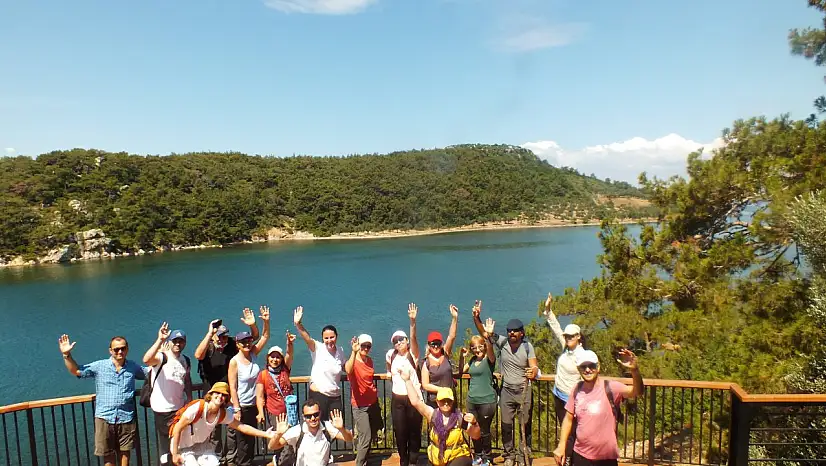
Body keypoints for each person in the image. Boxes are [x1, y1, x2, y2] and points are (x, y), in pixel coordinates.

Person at [58, 333, 149, 466]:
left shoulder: (133, 367)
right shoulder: (99, 366)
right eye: (116, 349)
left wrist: (163, 356)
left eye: (123, 348)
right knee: (108, 457)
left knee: (125, 455)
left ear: (127, 349)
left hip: (126, 418)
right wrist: (67, 355)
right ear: (110, 351)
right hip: (105, 418)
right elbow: (76, 371)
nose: (120, 351)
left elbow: (151, 372)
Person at [473, 304, 539, 466]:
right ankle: (509, 454)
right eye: (509, 330)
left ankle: (523, 455)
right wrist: (476, 317)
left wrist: (533, 371)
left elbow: (534, 366)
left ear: (521, 333)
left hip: (524, 390)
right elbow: (485, 334)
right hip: (507, 391)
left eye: (515, 331)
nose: (511, 333)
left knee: (525, 424)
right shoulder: (503, 343)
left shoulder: (527, 346)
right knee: (506, 424)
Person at [552, 349, 643, 466]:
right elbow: (568, 419)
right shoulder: (577, 389)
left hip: (606, 458)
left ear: (598, 367)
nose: (587, 369)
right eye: (583, 367)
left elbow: (637, 391)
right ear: (579, 370)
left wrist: (634, 370)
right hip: (580, 455)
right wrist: (561, 445)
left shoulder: (611, 387)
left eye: (591, 366)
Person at [193, 309, 261, 464]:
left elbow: (253, 339)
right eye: (220, 337)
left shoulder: (231, 344)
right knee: (213, 430)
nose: (223, 339)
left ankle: (231, 460)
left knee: (231, 429)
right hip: (212, 397)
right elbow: (198, 355)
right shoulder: (208, 348)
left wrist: (253, 325)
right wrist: (210, 333)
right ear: (213, 337)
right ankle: (217, 460)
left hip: (229, 396)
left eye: (225, 336)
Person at [168, 382, 277, 466]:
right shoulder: (198, 408)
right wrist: (175, 453)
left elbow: (242, 427)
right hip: (183, 447)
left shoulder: (222, 413)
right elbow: (177, 428)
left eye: (223, 395)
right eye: (217, 393)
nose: (220, 396)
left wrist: (266, 434)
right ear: (210, 394)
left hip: (202, 445)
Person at [398, 366, 480, 466]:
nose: (445, 403)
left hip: (457, 455)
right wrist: (407, 380)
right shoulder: (433, 415)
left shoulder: (459, 417)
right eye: (442, 400)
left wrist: (475, 423)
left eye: (448, 401)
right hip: (437, 457)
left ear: (453, 401)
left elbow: (476, 435)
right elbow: (415, 402)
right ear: (437, 402)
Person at [143, 322, 194, 465]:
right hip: (163, 410)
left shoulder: (185, 360)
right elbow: (146, 360)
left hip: (179, 408)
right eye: (175, 341)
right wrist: (160, 339)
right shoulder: (161, 357)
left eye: (181, 341)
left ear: (184, 343)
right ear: (170, 342)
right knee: (166, 447)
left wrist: (189, 399)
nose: (178, 343)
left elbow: (187, 380)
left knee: (178, 444)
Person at [228, 306, 270, 466]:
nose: (247, 344)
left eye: (248, 340)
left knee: (251, 441)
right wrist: (236, 409)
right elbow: (232, 387)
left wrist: (265, 321)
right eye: (243, 342)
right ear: (237, 344)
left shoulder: (253, 354)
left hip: (255, 404)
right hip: (243, 407)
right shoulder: (234, 362)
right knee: (243, 442)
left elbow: (265, 335)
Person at [385, 303, 423, 466]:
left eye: (401, 340)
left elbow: (414, 338)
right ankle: (403, 460)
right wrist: (388, 373)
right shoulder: (391, 355)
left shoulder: (413, 354)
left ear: (407, 341)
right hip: (398, 399)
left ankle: (413, 460)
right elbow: (389, 368)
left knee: (414, 431)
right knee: (400, 432)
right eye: (396, 341)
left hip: (413, 398)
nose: (399, 342)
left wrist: (412, 322)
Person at [293, 305, 346, 421]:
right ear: (322, 339)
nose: (329, 340)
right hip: (319, 395)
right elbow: (307, 338)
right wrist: (298, 324)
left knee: (336, 426)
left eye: (332, 337)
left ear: (336, 337)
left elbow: (345, 367)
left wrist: (356, 354)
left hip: (335, 396)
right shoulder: (318, 348)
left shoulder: (340, 351)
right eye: (326, 338)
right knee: (318, 426)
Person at [459, 305, 497, 465]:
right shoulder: (472, 361)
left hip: (487, 401)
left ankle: (487, 457)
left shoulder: (489, 360)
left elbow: (491, 352)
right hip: (472, 400)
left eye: (480, 346)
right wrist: (461, 357)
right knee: (472, 429)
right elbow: (461, 371)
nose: (477, 350)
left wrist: (487, 337)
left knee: (485, 430)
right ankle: (478, 455)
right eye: (474, 347)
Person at [543, 292, 585, 426]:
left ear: (578, 336)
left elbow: (588, 378)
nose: (568, 338)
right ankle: (566, 447)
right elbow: (555, 326)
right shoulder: (565, 347)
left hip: (571, 398)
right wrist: (548, 309)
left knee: (572, 431)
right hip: (558, 394)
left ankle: (570, 448)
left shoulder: (583, 356)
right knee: (564, 428)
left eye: (571, 336)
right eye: (566, 336)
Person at [267, 402, 354, 466]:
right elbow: (272, 447)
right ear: (303, 417)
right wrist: (278, 434)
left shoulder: (327, 427)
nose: (313, 418)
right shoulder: (297, 431)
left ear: (320, 413)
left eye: (316, 414)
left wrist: (341, 428)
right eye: (308, 416)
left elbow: (349, 438)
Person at [345, 334, 383, 466]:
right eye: (363, 345)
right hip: (360, 406)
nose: (365, 348)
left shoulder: (369, 360)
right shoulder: (353, 361)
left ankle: (365, 459)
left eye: (368, 346)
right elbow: (348, 370)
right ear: (358, 345)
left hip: (372, 402)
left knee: (373, 433)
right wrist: (353, 352)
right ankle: (359, 463)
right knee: (365, 438)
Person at [421, 304, 459, 407]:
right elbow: (425, 385)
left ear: (441, 344)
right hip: (435, 401)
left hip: (450, 398)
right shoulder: (426, 362)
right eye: (433, 344)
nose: (436, 346)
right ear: (428, 345)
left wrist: (454, 318)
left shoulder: (445, 353)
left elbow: (452, 336)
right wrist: (442, 390)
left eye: (438, 343)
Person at [256, 331, 296, 428]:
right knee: (274, 439)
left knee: (290, 439)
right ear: (268, 358)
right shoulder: (263, 375)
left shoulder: (285, 369)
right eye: (272, 357)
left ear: (281, 359)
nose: (275, 360)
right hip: (273, 413)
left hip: (290, 411)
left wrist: (289, 343)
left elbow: (289, 354)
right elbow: (260, 396)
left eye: (278, 357)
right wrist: (261, 413)